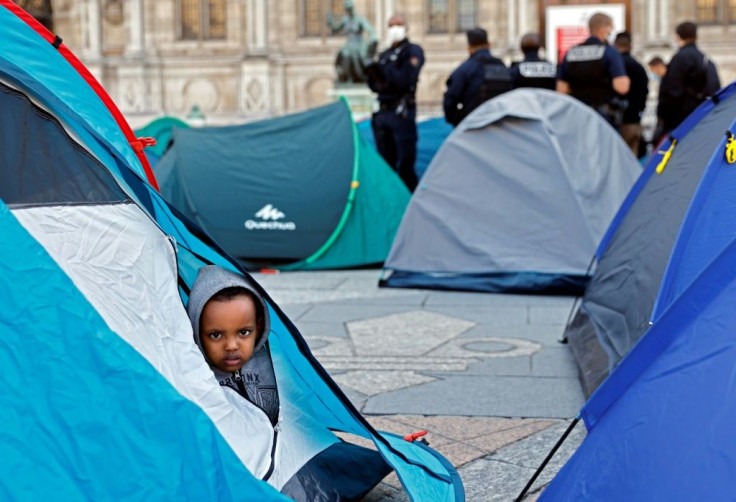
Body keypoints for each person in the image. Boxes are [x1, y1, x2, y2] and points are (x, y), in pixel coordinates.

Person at [187, 265, 279, 426]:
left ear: (258, 327)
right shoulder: (193, 377)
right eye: (216, 335)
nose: (231, 346)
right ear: (196, 331)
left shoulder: (277, 367)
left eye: (244, 332)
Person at [366, 14, 424, 192]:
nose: (395, 28)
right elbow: (376, 85)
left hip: (401, 113)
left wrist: (387, 69)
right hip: (383, 113)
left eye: (398, 25)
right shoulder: (384, 54)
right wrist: (373, 70)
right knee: (385, 164)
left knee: (405, 165)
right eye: (391, 25)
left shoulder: (412, 51)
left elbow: (405, 79)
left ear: (406, 28)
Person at [556, 12, 630, 127]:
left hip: (577, 115)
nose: (612, 30)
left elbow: (561, 90)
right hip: (603, 117)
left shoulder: (571, 52)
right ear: (603, 29)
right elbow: (621, 87)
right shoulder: (610, 52)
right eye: (611, 27)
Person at [656, 21, 721, 138]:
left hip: (680, 122)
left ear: (677, 36)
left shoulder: (679, 59)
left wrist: (662, 119)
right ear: (696, 36)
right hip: (701, 117)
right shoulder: (704, 59)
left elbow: (672, 92)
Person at [443, 27, 511, 127]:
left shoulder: (465, 69)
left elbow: (449, 101)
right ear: (489, 45)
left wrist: (460, 122)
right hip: (501, 127)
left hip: (474, 127)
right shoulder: (503, 67)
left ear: (469, 48)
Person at [613, 31, 649, 156]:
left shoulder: (614, 66)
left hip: (616, 123)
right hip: (634, 122)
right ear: (631, 46)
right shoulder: (638, 67)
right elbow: (645, 93)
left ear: (614, 45)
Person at [327, 0, 377, 83]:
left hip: (359, 43)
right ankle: (347, 77)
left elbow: (370, 30)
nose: (349, 8)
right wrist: (330, 22)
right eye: (347, 7)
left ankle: (362, 76)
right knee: (344, 54)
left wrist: (373, 37)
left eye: (350, 6)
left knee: (360, 56)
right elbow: (335, 29)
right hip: (349, 44)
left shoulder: (360, 19)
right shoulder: (344, 20)